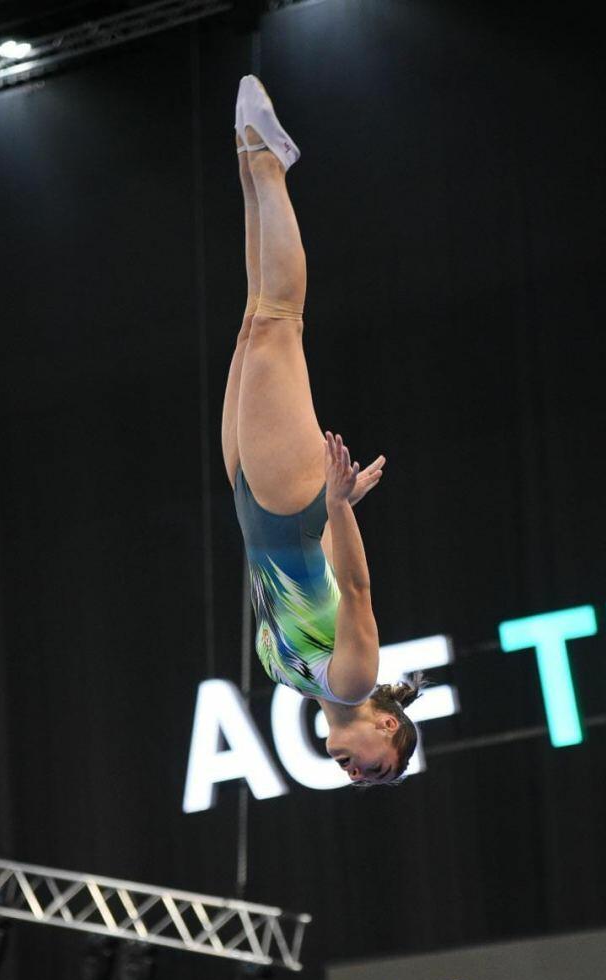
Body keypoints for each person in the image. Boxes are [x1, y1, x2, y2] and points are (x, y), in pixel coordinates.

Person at [222, 76, 422, 787]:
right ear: (388, 726)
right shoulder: (355, 678)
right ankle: (271, 164)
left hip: (255, 503)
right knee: (280, 320)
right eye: (377, 770)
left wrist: (337, 511)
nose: (356, 775)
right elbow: (359, 590)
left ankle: (250, 159)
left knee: (255, 321)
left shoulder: (303, 684)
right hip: (288, 503)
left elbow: (331, 586)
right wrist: (335, 504)